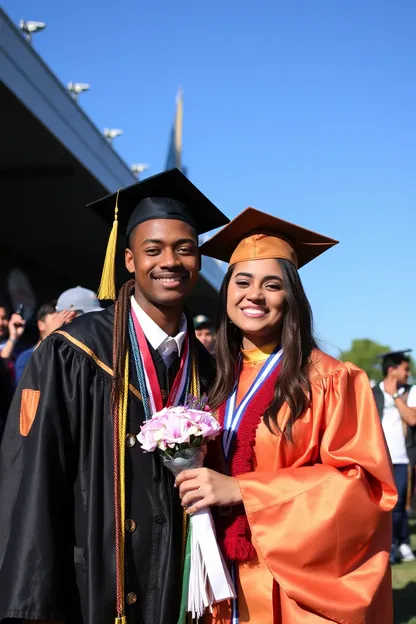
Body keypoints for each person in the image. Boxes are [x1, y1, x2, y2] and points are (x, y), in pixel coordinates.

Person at [0, 169, 229, 624]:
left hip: (185, 588)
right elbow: (32, 480)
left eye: (185, 249)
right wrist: (33, 603)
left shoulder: (211, 369)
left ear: (199, 261)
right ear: (128, 259)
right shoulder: (73, 352)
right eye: (153, 249)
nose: (170, 261)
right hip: (93, 588)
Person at [176, 207, 397, 624]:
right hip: (218, 582)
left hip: (292, 589)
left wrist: (244, 491)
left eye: (271, 285)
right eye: (242, 281)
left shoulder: (332, 378)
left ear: (290, 297)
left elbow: (365, 489)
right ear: (226, 293)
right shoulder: (210, 382)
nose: (254, 295)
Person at [373, 350, 416, 564]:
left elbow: (412, 419)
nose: (409, 373)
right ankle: (392, 544)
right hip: (378, 459)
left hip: (403, 459)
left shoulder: (411, 391)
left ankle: (401, 543)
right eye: (405, 369)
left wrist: (397, 396)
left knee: (399, 504)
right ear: (392, 370)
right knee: (382, 505)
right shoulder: (372, 393)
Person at [14, 302, 76, 385]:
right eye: (57, 320)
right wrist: (54, 335)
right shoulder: (26, 358)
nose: (62, 325)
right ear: (41, 325)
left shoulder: (71, 355)